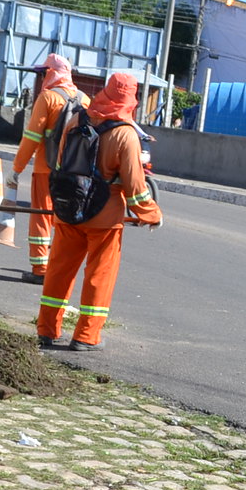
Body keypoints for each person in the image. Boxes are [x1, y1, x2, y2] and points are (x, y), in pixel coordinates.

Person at [35, 70, 161, 352]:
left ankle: (46, 330)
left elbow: (61, 163)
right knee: (98, 276)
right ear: (132, 99)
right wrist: (151, 214)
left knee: (58, 272)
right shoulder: (125, 135)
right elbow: (135, 186)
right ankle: (86, 336)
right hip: (104, 218)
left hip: (69, 209)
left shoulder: (76, 120)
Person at [8, 54, 87, 280]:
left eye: (43, 72)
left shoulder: (48, 98)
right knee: (64, 219)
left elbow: (32, 137)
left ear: (51, 73)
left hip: (46, 169)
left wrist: (17, 168)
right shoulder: (85, 100)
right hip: (75, 172)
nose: (41, 77)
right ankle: (58, 269)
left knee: (42, 217)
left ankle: (41, 269)